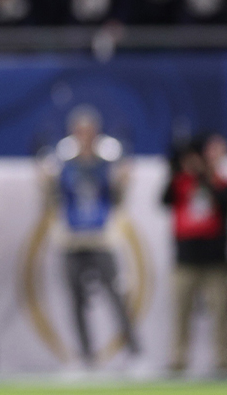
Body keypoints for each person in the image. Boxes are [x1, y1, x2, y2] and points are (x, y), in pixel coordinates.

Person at [43, 105, 138, 365]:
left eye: (89, 131)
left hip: (100, 238)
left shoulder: (107, 163)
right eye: (80, 131)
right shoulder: (64, 164)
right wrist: (45, 183)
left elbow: (117, 200)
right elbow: (52, 202)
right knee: (75, 301)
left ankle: (134, 352)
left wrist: (123, 182)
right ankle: (87, 356)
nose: (85, 136)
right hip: (72, 240)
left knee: (115, 297)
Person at [162, 134, 227, 375]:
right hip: (185, 260)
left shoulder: (223, 184)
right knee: (181, 314)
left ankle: (224, 361)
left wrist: (204, 174)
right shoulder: (180, 183)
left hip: (215, 261)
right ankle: (178, 360)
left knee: (221, 314)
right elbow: (164, 199)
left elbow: (224, 203)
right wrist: (179, 168)